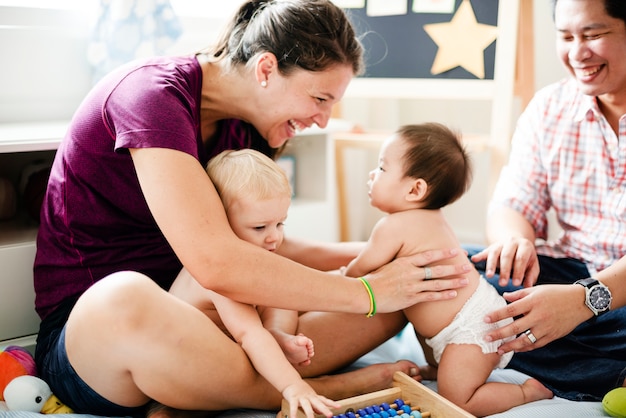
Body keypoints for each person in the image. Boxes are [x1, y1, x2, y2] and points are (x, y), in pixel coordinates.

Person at [32, 1, 471, 417]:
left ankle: (214, 388)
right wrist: (369, 292)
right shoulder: (151, 97)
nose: (323, 119)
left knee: (412, 289)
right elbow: (218, 264)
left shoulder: (249, 129)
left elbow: (263, 244)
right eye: (320, 99)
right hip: (102, 341)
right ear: (266, 68)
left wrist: (388, 263)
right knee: (124, 297)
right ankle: (315, 388)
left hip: (223, 325)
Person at [469, 0, 626, 402]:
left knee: (481, 327)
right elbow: (513, 201)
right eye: (566, 36)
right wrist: (514, 240)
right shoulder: (550, 106)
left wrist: (584, 300)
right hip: (570, 272)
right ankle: (602, 373)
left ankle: (503, 356)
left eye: (593, 35)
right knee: (449, 271)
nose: (578, 53)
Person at [342, 124, 553, 416]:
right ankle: (443, 367)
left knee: (456, 399)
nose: (371, 174)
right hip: (465, 319)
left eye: (381, 167)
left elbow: (358, 272)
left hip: (469, 329)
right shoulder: (432, 218)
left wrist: (340, 278)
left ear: (415, 189)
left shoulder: (393, 227)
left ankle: (525, 392)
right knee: (423, 326)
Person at [170, 149, 335, 417]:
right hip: (194, 361)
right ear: (221, 222)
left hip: (239, 335)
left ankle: (277, 335)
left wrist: (275, 333)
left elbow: (284, 294)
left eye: (280, 224)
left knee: (284, 291)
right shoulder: (216, 270)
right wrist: (294, 386)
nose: (274, 238)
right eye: (260, 228)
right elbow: (249, 334)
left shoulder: (260, 253)